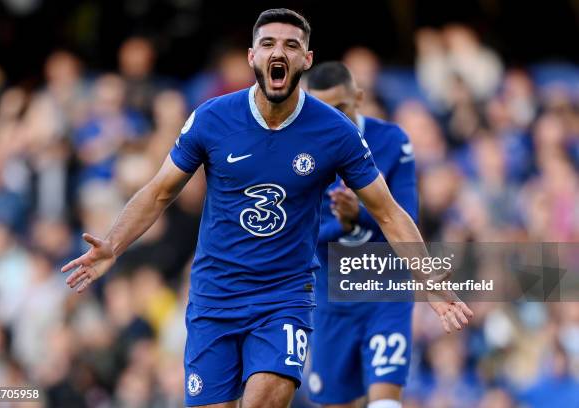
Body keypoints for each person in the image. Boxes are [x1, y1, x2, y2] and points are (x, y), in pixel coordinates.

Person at [62, 9, 472, 408]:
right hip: (214, 297)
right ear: (252, 56)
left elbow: (387, 211)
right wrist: (113, 245)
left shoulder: (334, 131)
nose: (280, 52)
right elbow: (158, 192)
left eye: (292, 45)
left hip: (284, 296)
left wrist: (430, 281)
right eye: (268, 43)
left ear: (305, 60)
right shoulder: (212, 118)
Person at [306, 62, 417, 408]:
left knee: (385, 403)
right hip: (330, 298)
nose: (331, 118)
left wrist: (360, 217)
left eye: (340, 108)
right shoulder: (301, 152)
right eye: (320, 109)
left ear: (359, 98)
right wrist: (345, 224)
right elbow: (300, 232)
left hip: (385, 292)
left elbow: (406, 217)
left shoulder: (392, 141)